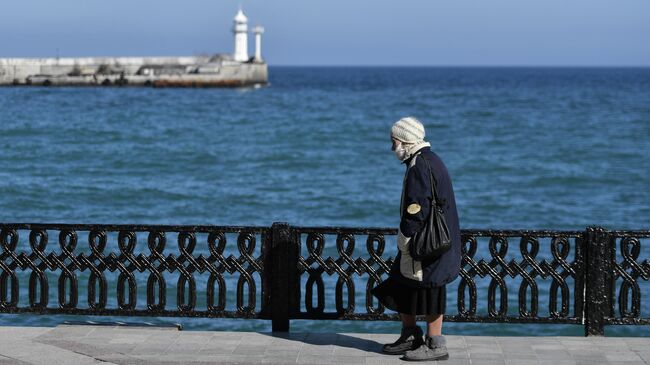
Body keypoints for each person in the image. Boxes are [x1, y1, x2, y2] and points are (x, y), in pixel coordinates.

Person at [371, 116, 461, 361]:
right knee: (400, 282)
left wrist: (406, 237)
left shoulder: (419, 165)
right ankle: (410, 334)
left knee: (432, 288)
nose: (392, 148)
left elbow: (416, 208)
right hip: (436, 239)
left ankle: (436, 345)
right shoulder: (429, 159)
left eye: (394, 142)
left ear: (404, 141)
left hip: (426, 243)